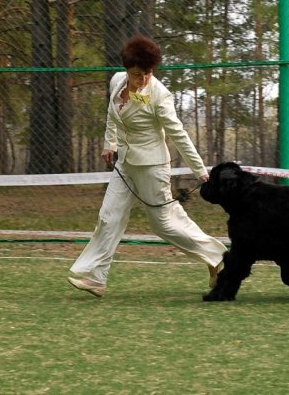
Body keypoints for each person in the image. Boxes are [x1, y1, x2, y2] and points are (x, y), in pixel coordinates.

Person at [67, 35, 226, 298]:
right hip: (125, 164)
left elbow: (178, 134)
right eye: (138, 74)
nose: (143, 80)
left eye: (148, 73)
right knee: (109, 216)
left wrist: (199, 170)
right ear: (127, 69)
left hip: (153, 166)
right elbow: (112, 115)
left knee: (163, 224)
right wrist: (110, 144)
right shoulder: (117, 81)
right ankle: (95, 277)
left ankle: (219, 257)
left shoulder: (160, 96)